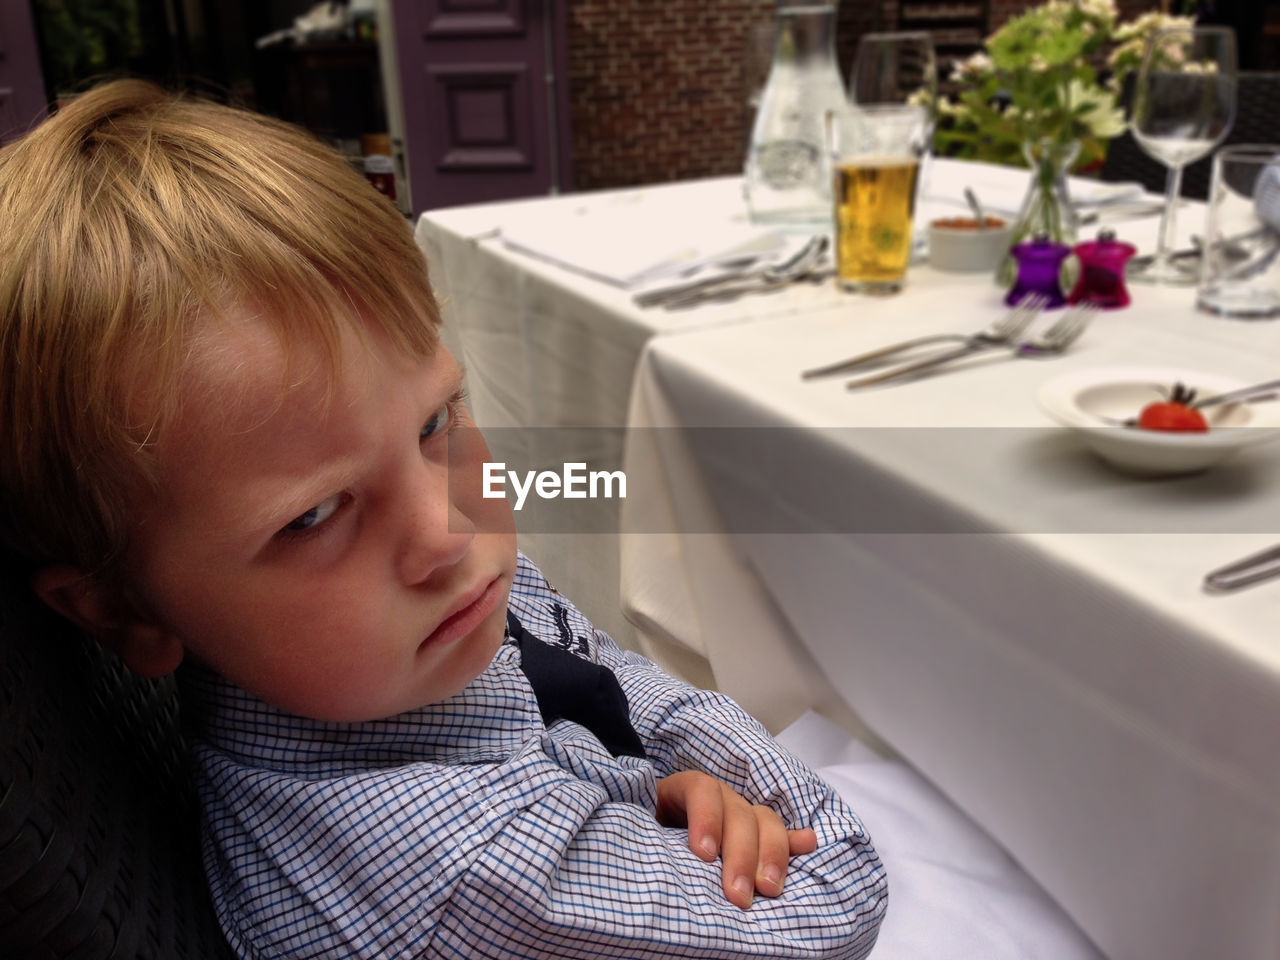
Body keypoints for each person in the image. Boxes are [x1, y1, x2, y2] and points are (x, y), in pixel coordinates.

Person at [0, 80, 887, 959]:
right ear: (124, 610)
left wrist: (659, 771)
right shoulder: (471, 873)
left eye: (434, 423)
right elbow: (840, 890)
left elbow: (565, 639)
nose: (448, 529)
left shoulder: (361, 643)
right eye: (312, 516)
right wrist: (726, 761)